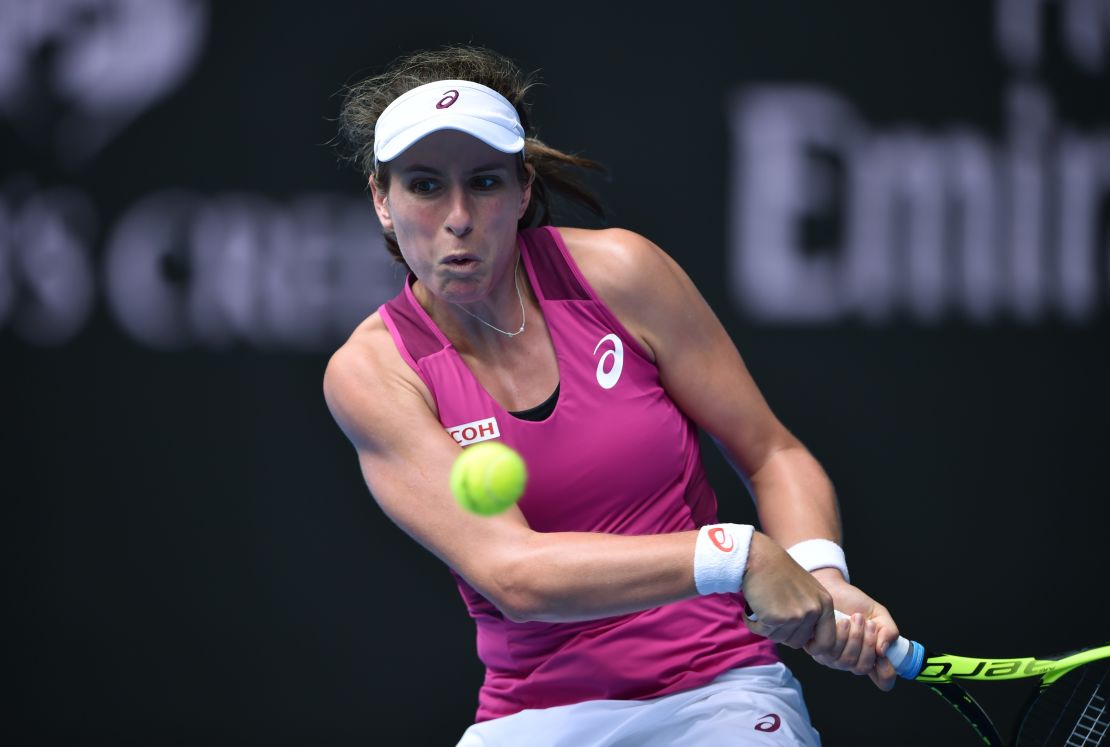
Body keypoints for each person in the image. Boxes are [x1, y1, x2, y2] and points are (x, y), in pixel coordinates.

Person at [324, 45, 900, 746]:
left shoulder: (621, 274)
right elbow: (516, 575)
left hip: (714, 693)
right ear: (382, 200)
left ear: (523, 188)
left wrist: (821, 575)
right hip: (532, 718)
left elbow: (772, 451)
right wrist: (738, 554)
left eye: (483, 182)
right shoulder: (376, 372)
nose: (458, 218)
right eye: (423, 185)